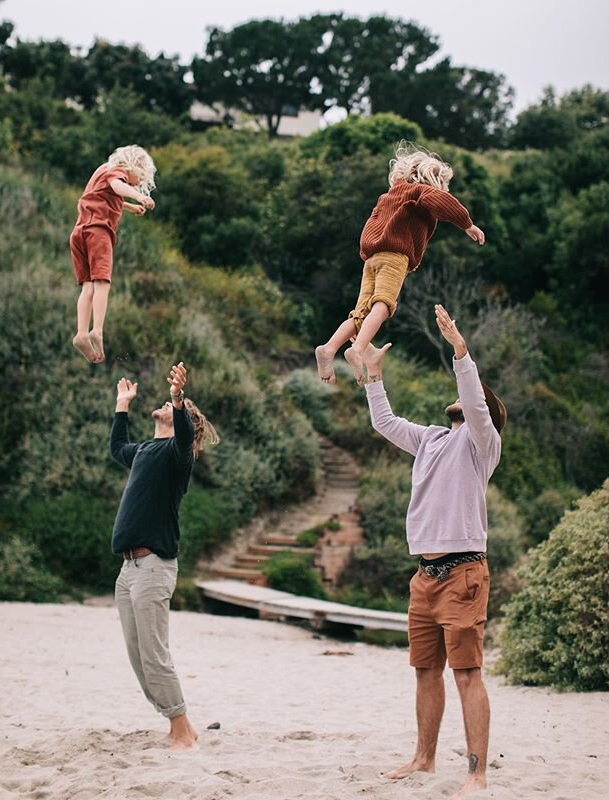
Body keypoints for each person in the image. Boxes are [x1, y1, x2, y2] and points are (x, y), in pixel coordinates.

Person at [363, 304, 506, 800]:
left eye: (471, 404)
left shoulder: (481, 444)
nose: (462, 406)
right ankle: (423, 759)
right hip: (424, 575)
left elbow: (476, 401)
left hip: (464, 572)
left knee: (466, 673)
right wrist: (373, 376)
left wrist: (459, 350)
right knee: (426, 670)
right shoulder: (430, 440)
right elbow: (384, 422)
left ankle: (476, 773)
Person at [110, 361, 219, 750]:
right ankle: (180, 725)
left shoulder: (177, 456)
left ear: (180, 419)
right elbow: (116, 447)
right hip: (128, 569)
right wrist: (122, 405)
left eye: (171, 407)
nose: (161, 404)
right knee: (138, 655)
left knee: (155, 653)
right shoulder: (144, 450)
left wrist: (177, 398)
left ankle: (181, 728)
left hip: (154, 565)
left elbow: (184, 433)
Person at [315, 142, 485, 386]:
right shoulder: (419, 191)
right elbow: (443, 203)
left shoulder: (388, 196)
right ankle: (358, 349)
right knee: (383, 305)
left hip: (371, 258)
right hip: (394, 256)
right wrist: (467, 224)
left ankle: (329, 348)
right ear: (433, 181)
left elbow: (371, 223)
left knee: (360, 313)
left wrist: (369, 249)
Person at [70, 145, 156, 364]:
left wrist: (128, 207)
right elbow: (118, 186)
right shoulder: (116, 172)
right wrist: (139, 198)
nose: (138, 183)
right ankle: (96, 330)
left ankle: (81, 333)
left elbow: (107, 196)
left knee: (87, 286)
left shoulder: (102, 172)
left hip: (79, 233)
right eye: (140, 178)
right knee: (102, 283)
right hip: (98, 232)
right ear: (132, 165)